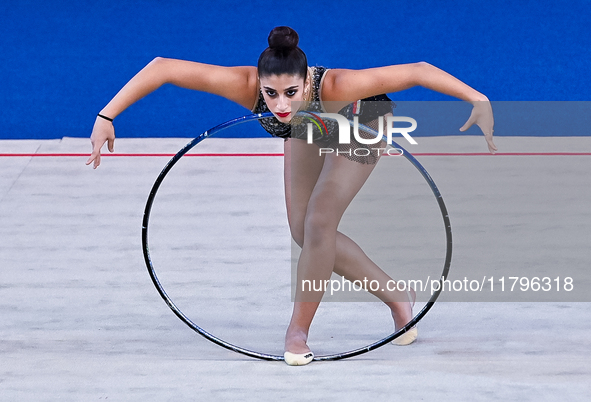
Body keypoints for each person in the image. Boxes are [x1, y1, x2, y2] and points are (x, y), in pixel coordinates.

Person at [87, 26, 496, 366]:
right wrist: (106, 115)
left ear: (306, 83)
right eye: (270, 94)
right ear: (259, 85)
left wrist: (478, 99)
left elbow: (419, 70)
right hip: (311, 126)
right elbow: (163, 68)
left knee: (320, 220)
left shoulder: (339, 85)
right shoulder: (246, 87)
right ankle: (396, 296)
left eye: (291, 92)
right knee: (305, 232)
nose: (279, 105)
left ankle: (298, 330)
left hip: (359, 119)